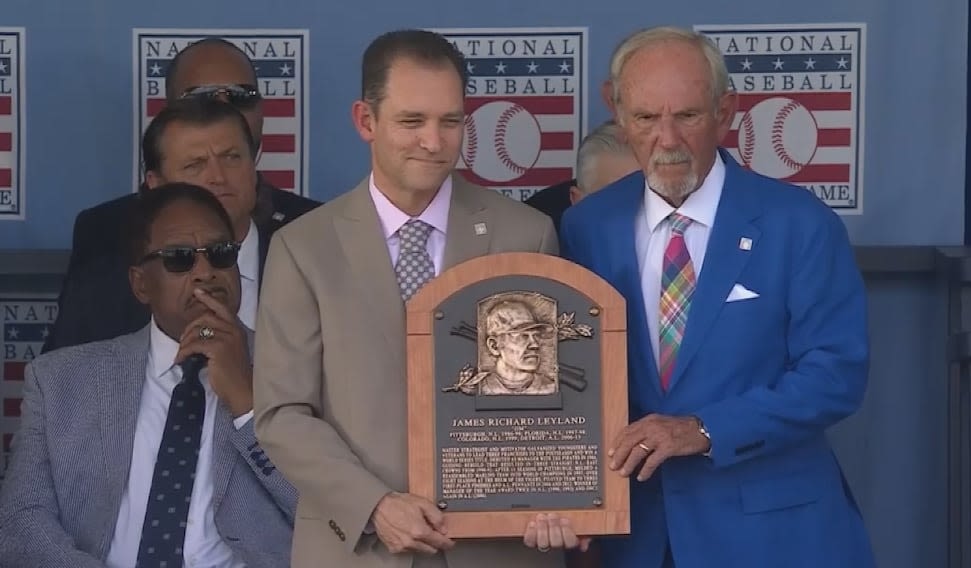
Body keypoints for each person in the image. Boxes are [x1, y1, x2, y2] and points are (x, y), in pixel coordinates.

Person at [253, 29, 583, 568]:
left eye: (449, 122)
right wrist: (375, 503)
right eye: (412, 121)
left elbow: (553, 403)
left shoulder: (527, 233)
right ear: (366, 120)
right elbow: (283, 412)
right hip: (359, 547)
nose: (433, 141)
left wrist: (553, 495)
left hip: (497, 549)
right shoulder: (302, 247)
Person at [559, 26, 875, 567]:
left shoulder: (799, 224)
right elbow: (569, 376)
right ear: (616, 111)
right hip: (635, 538)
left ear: (725, 110)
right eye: (645, 118)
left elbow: (834, 375)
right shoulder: (588, 226)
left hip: (773, 537)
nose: (667, 138)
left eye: (686, 116)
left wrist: (703, 430)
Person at [0, 183, 297, 567]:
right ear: (141, 284)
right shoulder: (61, 381)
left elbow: (328, 514)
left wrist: (246, 406)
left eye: (221, 254)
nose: (205, 272)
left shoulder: (297, 370)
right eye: (180, 258)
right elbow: (21, 521)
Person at [44, 38, 321, 352]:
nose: (217, 177)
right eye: (195, 164)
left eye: (231, 157)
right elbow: (62, 382)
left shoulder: (319, 237)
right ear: (156, 182)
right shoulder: (105, 258)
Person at [523, 121, 639, 227]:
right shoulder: (539, 241)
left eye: (642, 196)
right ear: (577, 200)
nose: (628, 212)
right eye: (609, 199)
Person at [479, 299, 558, 396]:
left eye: (536, 335)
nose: (535, 345)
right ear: (494, 346)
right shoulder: (480, 388)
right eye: (523, 336)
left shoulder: (551, 388)